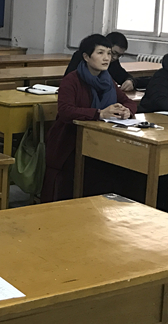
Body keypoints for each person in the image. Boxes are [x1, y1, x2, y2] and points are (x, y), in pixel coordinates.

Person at [42, 34, 137, 203]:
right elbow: (65, 111)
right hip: (70, 141)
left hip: (101, 140)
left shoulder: (108, 81)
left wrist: (126, 111)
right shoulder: (72, 80)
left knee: (125, 168)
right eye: (100, 53)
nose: (107, 58)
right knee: (95, 172)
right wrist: (99, 113)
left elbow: (128, 101)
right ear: (86, 57)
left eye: (109, 53)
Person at [65, 31, 149, 91]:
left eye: (119, 55)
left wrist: (131, 81)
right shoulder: (80, 57)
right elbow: (68, 81)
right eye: (113, 53)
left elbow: (122, 76)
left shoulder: (112, 62)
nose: (114, 57)